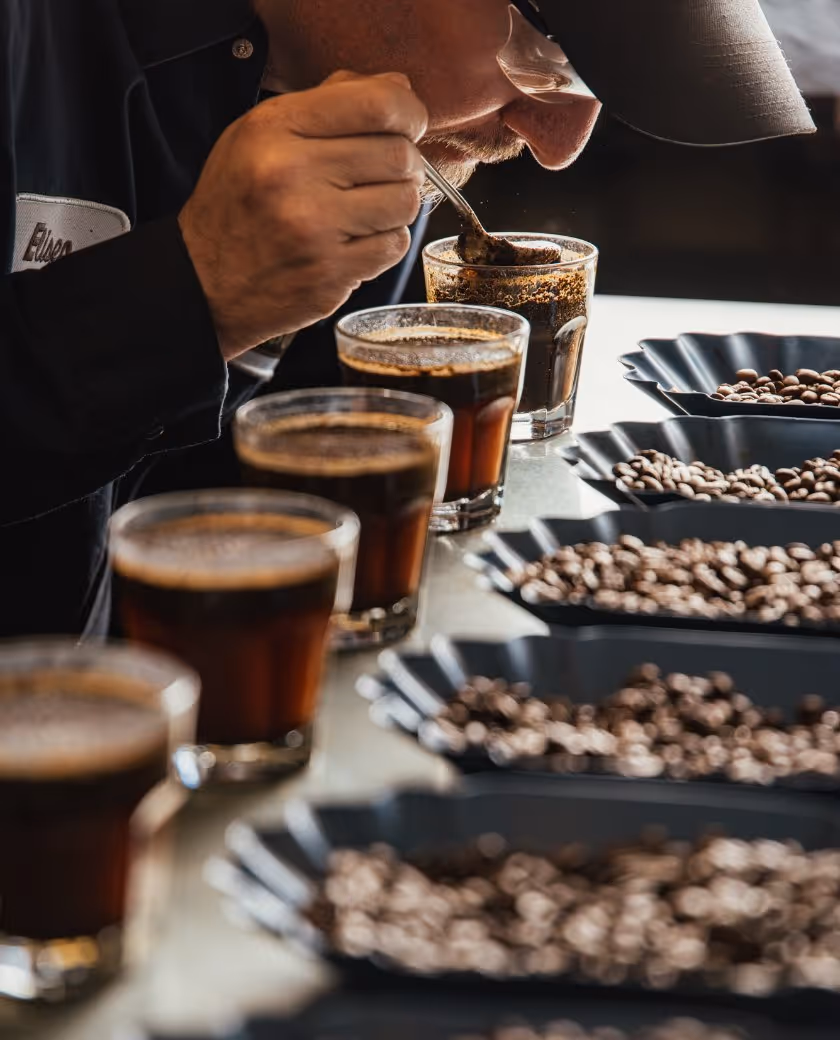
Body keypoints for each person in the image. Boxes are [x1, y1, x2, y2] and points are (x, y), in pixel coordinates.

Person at [0, 0, 813, 637]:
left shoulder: (374, 118)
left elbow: (253, 528)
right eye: (547, 51)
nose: (558, 141)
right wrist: (195, 290)